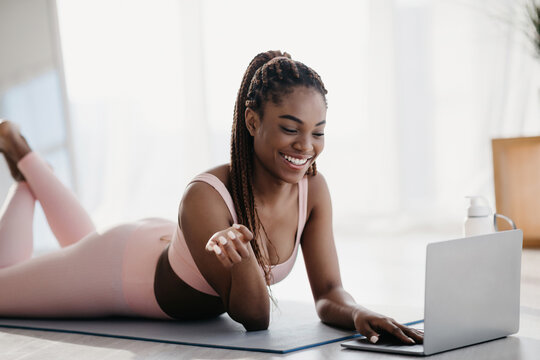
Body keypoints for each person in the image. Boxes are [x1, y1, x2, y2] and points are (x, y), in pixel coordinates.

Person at [0, 50, 423, 345]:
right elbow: (254, 318)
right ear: (253, 121)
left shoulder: (314, 191)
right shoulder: (204, 195)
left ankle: (32, 174)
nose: (305, 147)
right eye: (291, 129)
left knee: (77, 248)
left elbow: (329, 291)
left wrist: (357, 314)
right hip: (119, 271)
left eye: (318, 132)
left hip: (153, 245)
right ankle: (28, 171)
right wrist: (242, 262)